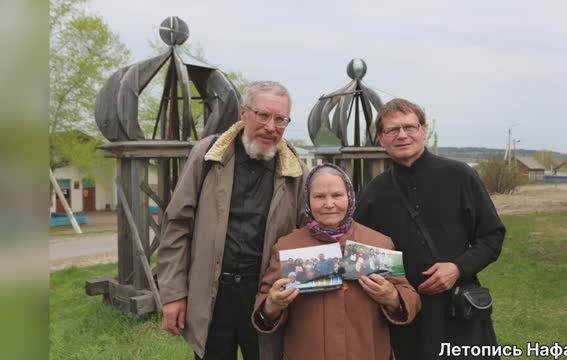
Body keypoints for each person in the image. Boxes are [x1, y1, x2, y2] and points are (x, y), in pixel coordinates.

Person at [157, 81, 308, 360]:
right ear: (243, 113)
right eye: (262, 115)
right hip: (213, 295)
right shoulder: (208, 154)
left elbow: (306, 233)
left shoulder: (295, 168)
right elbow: (177, 225)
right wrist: (174, 294)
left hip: (264, 298)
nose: (271, 127)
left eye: (280, 119)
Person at [354, 98, 506, 360]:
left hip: (459, 310)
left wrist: (458, 267)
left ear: (423, 130)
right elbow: (361, 254)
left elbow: (491, 236)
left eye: (409, 127)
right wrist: (390, 294)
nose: (402, 135)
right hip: (406, 317)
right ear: (381, 138)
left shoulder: (460, 176)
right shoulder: (373, 193)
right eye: (392, 130)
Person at [252, 163, 421, 360]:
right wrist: (272, 305)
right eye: (319, 197)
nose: (329, 203)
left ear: (350, 196)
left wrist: (392, 297)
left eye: (337, 195)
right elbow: (265, 304)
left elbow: (410, 298)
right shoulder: (287, 247)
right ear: (307, 199)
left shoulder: (378, 243)